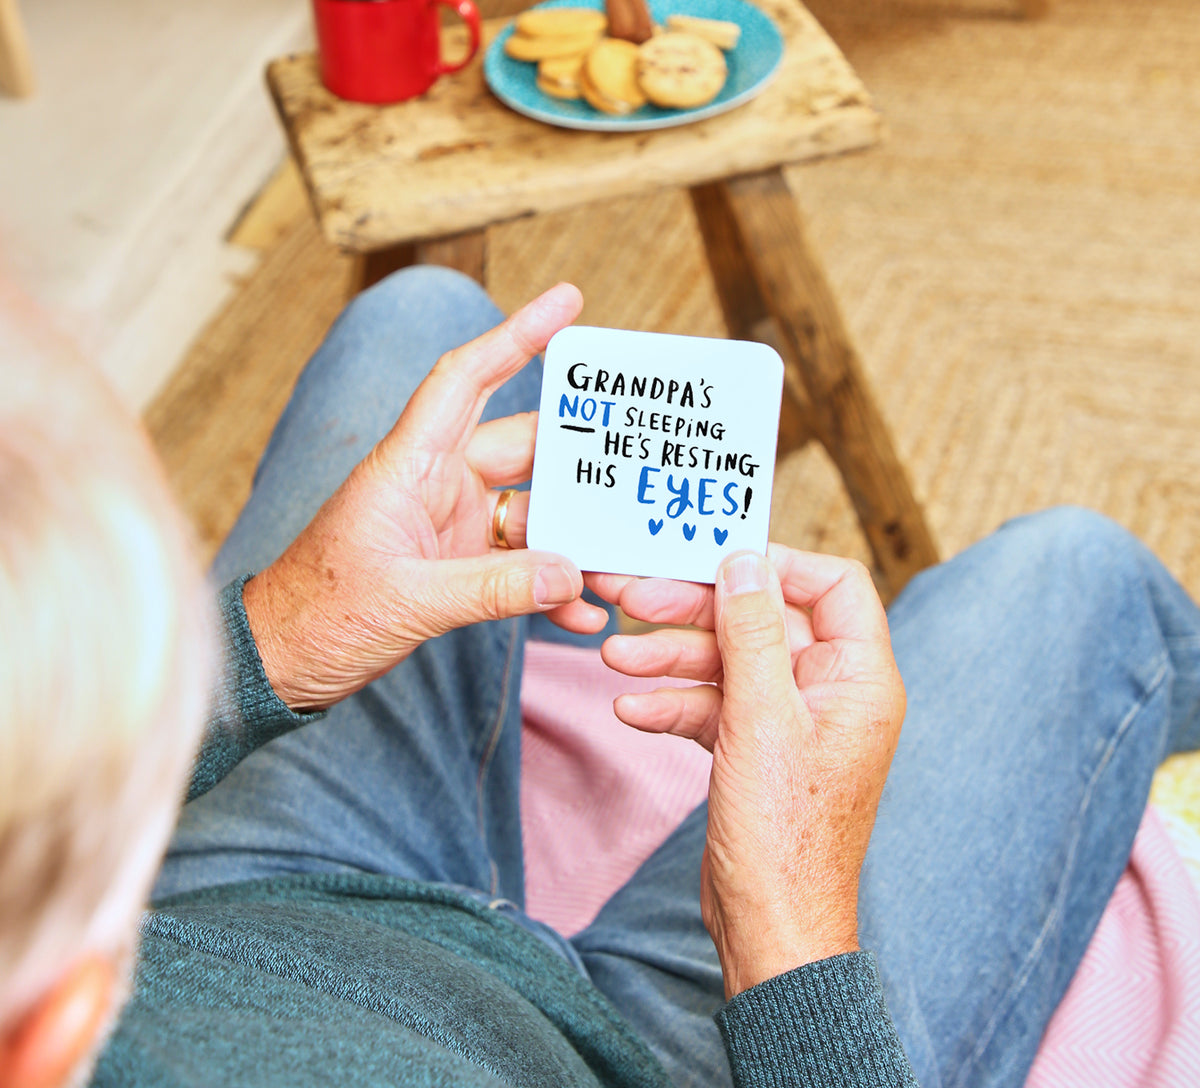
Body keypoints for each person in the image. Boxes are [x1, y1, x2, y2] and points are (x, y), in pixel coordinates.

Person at [2, 269, 1198, 1088]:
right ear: (50, 1032)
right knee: (1069, 575)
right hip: (651, 1056)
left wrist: (266, 648)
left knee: (420, 315)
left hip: (230, 894)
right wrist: (790, 937)